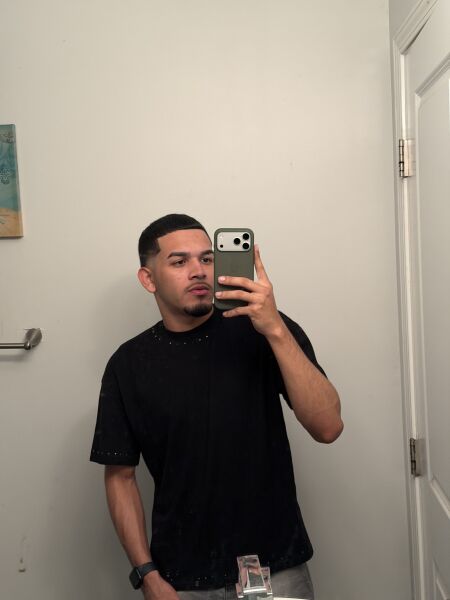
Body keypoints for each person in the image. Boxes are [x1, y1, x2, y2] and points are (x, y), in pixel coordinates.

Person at [90, 214, 343, 600]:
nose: (198, 271)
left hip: (275, 568)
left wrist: (275, 328)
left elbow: (328, 427)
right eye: (179, 261)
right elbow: (120, 477)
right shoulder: (128, 364)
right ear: (148, 279)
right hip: (181, 580)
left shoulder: (264, 329)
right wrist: (147, 574)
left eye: (207, 258)